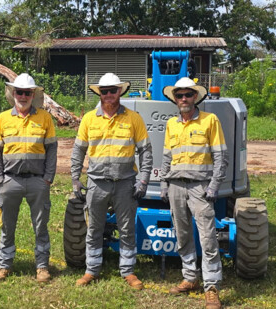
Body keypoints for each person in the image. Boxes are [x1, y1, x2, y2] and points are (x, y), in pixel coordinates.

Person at [71, 73, 153, 290]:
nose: (108, 95)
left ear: (120, 91)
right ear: (99, 93)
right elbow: (78, 151)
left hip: (125, 183)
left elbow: (146, 151)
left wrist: (143, 181)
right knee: (94, 228)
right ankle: (92, 270)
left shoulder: (134, 118)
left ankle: (128, 271)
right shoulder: (89, 119)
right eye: (104, 91)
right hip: (96, 183)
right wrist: (75, 180)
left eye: (112, 90)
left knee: (127, 229)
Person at [159, 77, 228, 309]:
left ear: (196, 97)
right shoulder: (172, 124)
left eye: (188, 95)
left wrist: (214, 186)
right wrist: (163, 184)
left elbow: (220, 156)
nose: (184, 99)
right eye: (179, 96)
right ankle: (190, 278)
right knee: (182, 234)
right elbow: (167, 157)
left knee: (207, 237)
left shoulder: (210, 120)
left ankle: (211, 287)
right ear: (175, 99)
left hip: (200, 187)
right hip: (176, 186)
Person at [0, 73, 57, 283]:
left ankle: (42, 267)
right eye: (19, 92)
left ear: (33, 95)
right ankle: (4, 266)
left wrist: (47, 178)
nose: (23, 96)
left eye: (27, 92)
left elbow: (52, 150)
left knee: (41, 226)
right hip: (10, 181)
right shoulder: (2, 118)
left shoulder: (45, 118)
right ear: (13, 93)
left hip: (38, 181)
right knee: (6, 226)